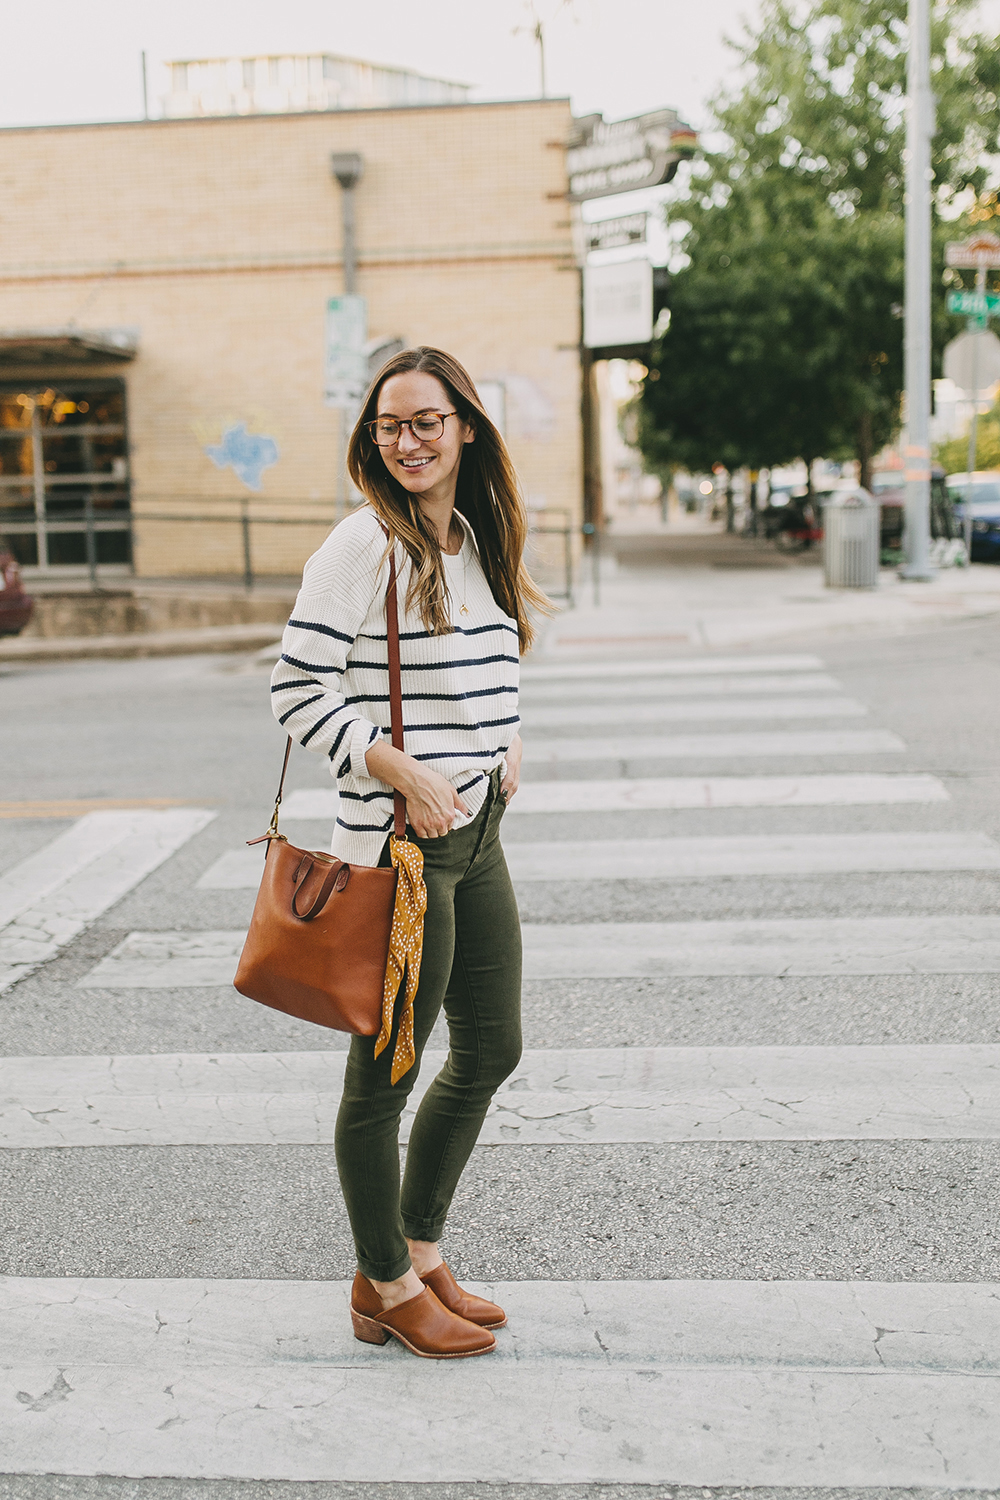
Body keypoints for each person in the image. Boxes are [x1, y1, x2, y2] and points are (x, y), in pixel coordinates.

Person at [270, 346, 549, 1359]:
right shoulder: (362, 546)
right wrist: (404, 770)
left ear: (465, 426)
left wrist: (504, 738)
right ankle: (383, 1283)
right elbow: (295, 693)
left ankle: (417, 1252)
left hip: (478, 835)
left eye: (427, 421)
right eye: (390, 426)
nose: (409, 441)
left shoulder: (475, 537)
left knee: (491, 1047)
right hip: (399, 852)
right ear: (372, 439)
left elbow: (489, 657)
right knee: (381, 1079)